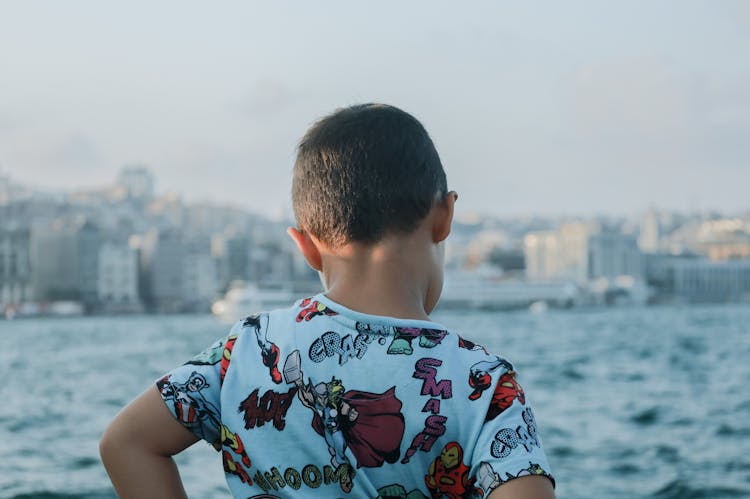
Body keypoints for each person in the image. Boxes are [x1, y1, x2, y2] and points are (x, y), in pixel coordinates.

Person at [100, 103, 556, 499]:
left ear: (306, 246)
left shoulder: (250, 350)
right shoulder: (486, 384)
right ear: (445, 216)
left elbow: (125, 443)